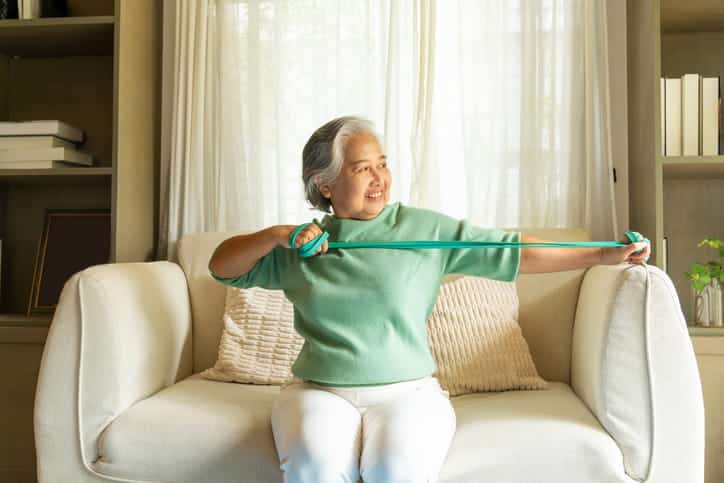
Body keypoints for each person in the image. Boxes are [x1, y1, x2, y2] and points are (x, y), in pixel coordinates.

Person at [208, 116, 650, 483]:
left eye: (382, 164)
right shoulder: (302, 245)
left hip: (408, 394)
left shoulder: (422, 230)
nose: (380, 178)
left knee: (393, 471)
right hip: (319, 392)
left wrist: (603, 253)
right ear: (324, 184)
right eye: (363, 169)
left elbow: (513, 251)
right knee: (314, 468)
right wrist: (276, 235)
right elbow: (221, 267)